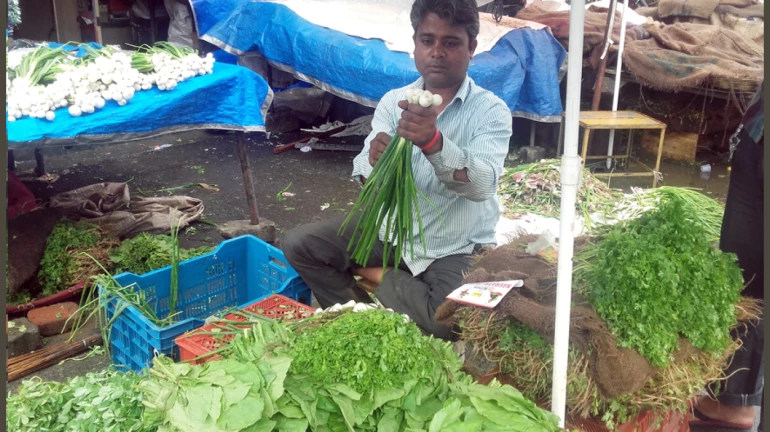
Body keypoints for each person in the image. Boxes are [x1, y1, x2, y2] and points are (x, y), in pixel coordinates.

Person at [281, 0, 512, 340]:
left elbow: (482, 186)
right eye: (428, 40)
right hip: (393, 231)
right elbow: (362, 172)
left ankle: (378, 275)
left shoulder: (491, 111)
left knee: (446, 321)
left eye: (451, 43)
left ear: (471, 48)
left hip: (454, 243)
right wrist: (373, 162)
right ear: (415, 43)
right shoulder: (395, 101)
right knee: (300, 244)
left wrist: (434, 143)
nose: (437, 52)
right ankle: (359, 321)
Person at [690, 82, 764, 430]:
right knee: (741, 275)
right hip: (758, 133)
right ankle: (734, 398)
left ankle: (739, 403)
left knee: (757, 283)